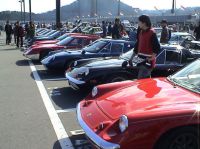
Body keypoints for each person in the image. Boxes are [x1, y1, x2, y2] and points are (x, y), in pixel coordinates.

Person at [129, 15, 160, 79]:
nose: (138, 24)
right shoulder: (141, 32)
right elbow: (137, 46)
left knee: (141, 82)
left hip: (147, 63)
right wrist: (131, 58)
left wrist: (151, 59)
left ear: (144, 23)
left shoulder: (152, 33)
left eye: (139, 22)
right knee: (143, 82)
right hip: (140, 61)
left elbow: (157, 48)